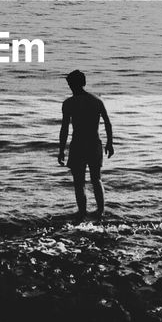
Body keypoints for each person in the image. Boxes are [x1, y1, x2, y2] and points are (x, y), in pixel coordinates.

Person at [58, 69, 114, 221]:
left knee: (79, 182)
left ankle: (83, 213)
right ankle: (100, 212)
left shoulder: (69, 103)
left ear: (72, 84)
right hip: (94, 144)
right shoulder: (96, 101)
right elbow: (108, 123)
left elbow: (65, 129)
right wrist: (109, 143)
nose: (70, 86)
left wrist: (61, 150)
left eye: (70, 84)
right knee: (96, 179)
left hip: (78, 144)